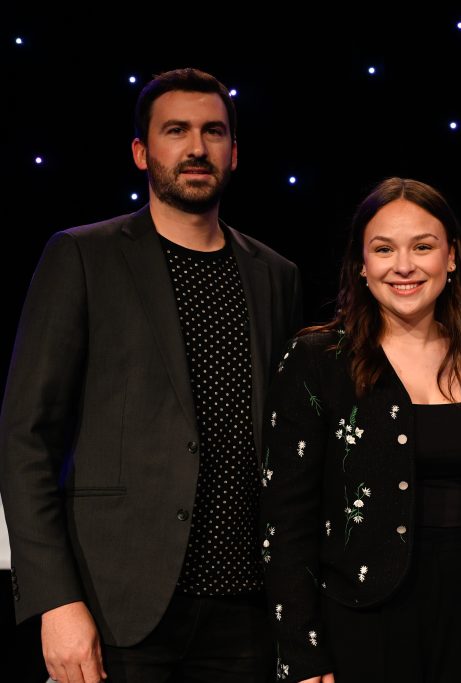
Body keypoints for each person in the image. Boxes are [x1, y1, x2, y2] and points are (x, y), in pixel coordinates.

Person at [0, 68, 303, 683]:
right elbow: (25, 436)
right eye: (176, 131)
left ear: (234, 152)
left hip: (245, 610)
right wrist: (55, 600)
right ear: (142, 151)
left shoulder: (275, 275)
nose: (196, 147)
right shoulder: (83, 256)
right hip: (117, 607)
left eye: (213, 131)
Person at [260, 178, 461, 683]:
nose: (404, 266)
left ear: (451, 257)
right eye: (384, 249)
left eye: (423, 246)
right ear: (362, 264)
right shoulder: (318, 360)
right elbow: (285, 519)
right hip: (360, 620)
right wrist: (300, 654)